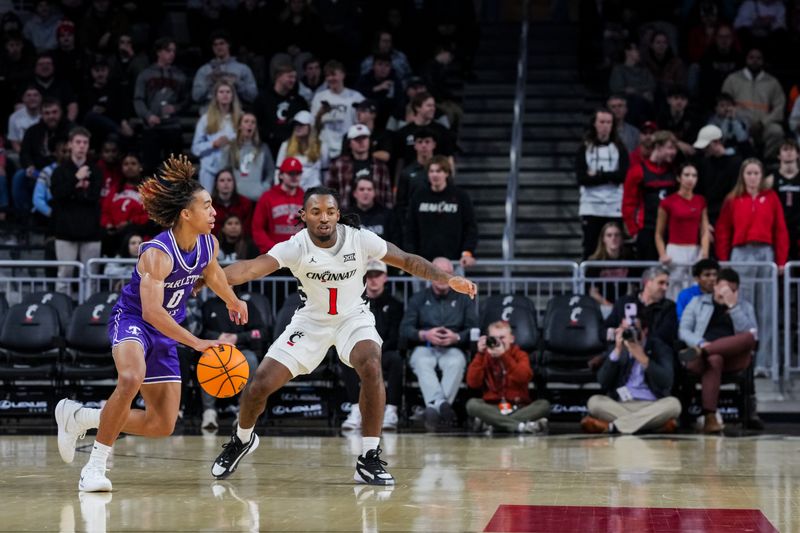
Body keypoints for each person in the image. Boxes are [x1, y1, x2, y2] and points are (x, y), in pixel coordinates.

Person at [208, 186, 477, 484]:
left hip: (353, 317)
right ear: (303, 216)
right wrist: (210, 277)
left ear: (338, 214)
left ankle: (369, 456)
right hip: (311, 322)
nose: (323, 218)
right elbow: (249, 269)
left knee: (371, 364)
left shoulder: (360, 239)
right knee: (259, 385)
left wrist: (447, 278)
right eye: (315, 212)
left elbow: (407, 259)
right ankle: (242, 439)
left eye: (330, 211)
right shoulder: (295, 246)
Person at [54, 155, 249, 492]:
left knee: (161, 425)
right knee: (131, 377)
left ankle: (80, 417)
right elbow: (152, 313)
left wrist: (231, 298)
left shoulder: (209, 243)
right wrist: (199, 343)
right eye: (207, 205)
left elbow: (212, 272)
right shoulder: (157, 253)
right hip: (135, 320)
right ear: (186, 214)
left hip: (167, 332)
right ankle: (95, 466)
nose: (215, 211)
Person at [715, 158, 788, 376]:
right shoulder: (733, 199)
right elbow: (723, 231)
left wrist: (782, 261)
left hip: (765, 253)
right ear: (743, 176)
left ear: (762, 175)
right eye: (749, 173)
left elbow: (781, 231)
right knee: (742, 308)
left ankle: (764, 364)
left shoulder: (772, 197)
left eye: (756, 173)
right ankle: (743, 362)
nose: (753, 177)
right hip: (741, 254)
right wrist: (724, 261)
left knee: (766, 310)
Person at [400, 257, 478, 431]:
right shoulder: (418, 298)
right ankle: (441, 404)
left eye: (448, 273)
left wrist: (456, 337)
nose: (443, 277)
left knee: (456, 362)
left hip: (453, 348)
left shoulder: (464, 299)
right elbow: (405, 329)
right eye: (438, 273)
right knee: (421, 361)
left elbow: (474, 329)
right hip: (425, 347)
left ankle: (433, 408)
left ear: (454, 276)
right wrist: (424, 334)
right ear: (429, 275)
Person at [678, 268, 758, 433]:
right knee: (715, 360)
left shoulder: (744, 306)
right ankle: (710, 418)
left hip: (731, 358)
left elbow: (751, 334)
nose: (728, 294)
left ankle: (706, 351)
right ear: (715, 287)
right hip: (700, 357)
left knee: (749, 337)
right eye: (725, 289)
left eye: (733, 291)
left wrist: (733, 307)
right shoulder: (697, 302)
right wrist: (700, 342)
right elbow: (683, 330)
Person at [582, 303, 681, 435]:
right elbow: (603, 382)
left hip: (651, 405)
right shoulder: (618, 347)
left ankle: (614, 427)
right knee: (594, 402)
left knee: (674, 405)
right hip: (621, 405)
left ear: (645, 331)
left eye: (634, 329)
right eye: (625, 329)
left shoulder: (659, 347)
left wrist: (643, 358)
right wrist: (617, 351)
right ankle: (651, 425)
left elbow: (667, 381)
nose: (629, 333)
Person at [339, 260, 404, 431]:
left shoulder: (395, 305)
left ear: (385, 278)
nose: (373, 280)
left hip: (384, 352)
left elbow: (395, 336)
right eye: (369, 275)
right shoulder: (352, 303)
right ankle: (355, 410)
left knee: (397, 359)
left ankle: (391, 411)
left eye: (377, 275)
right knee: (344, 359)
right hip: (360, 351)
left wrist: (376, 351)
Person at [465, 320, 550, 434]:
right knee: (472, 404)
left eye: (502, 337)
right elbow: (473, 383)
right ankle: (520, 426)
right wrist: (480, 354)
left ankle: (494, 425)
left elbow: (524, 377)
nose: (499, 341)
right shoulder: (484, 356)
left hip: (518, 407)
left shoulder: (520, 355)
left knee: (544, 405)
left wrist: (504, 356)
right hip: (492, 407)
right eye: (494, 338)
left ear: (511, 339)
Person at [50, 127, 103, 292]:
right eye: (78, 142)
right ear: (70, 145)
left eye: (85, 142)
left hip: (91, 230)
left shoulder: (96, 171)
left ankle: (90, 316)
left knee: (91, 276)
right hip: (66, 230)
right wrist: (76, 180)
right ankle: (62, 312)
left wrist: (73, 193)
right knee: (64, 275)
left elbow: (93, 196)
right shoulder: (60, 171)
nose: (81, 146)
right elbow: (58, 195)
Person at [406, 156, 478, 268]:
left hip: (454, 262)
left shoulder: (460, 196)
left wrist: (467, 252)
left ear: (447, 173)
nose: (435, 175)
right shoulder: (418, 195)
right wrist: (412, 255)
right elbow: (410, 228)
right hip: (423, 264)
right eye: (431, 171)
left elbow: (470, 227)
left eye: (439, 171)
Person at [576, 108, 629, 259]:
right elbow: (582, 178)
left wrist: (598, 175)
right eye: (601, 122)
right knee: (590, 247)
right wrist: (610, 177)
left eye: (608, 122)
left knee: (616, 247)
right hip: (591, 206)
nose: (605, 126)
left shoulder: (619, 148)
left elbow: (623, 176)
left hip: (614, 206)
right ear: (594, 124)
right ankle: (588, 283)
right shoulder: (585, 147)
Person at [655, 162, 710, 300]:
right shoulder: (668, 202)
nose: (690, 179)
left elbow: (704, 230)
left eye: (694, 175)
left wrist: (704, 253)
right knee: (674, 290)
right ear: (679, 178)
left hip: (695, 250)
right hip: (675, 251)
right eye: (687, 175)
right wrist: (662, 254)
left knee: (695, 289)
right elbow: (658, 233)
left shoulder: (700, 201)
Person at [134, 37, 188, 174]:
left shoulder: (180, 76)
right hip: (152, 127)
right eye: (168, 50)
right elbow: (138, 99)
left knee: (176, 169)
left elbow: (186, 100)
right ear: (159, 52)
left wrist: (176, 108)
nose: (172, 54)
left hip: (173, 126)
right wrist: (148, 115)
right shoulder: (146, 74)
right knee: (149, 167)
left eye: (173, 51)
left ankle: (175, 195)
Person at [622, 131, 678, 260]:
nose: (673, 152)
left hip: (669, 230)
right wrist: (634, 230)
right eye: (670, 148)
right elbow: (628, 204)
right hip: (646, 230)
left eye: (674, 148)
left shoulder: (674, 172)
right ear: (658, 147)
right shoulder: (637, 171)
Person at [721, 47, 785, 159]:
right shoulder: (733, 79)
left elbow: (779, 107)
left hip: (763, 125)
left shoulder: (772, 82)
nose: (755, 60)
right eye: (751, 57)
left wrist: (762, 123)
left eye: (758, 58)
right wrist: (738, 119)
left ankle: (765, 162)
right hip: (740, 123)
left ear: (763, 60)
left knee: (777, 132)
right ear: (746, 59)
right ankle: (740, 161)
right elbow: (723, 102)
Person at [605, 265, 677, 347]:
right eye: (661, 283)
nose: (665, 288)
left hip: (652, 354)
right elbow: (603, 330)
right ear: (647, 282)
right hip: (622, 350)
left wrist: (639, 332)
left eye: (667, 284)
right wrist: (618, 332)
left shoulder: (669, 307)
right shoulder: (624, 302)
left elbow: (664, 336)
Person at [326, 124, 393, 212]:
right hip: (347, 216)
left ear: (369, 141)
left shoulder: (381, 166)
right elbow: (329, 194)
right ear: (349, 143)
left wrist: (389, 216)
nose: (361, 142)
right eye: (357, 139)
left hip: (377, 217)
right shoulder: (338, 165)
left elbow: (387, 196)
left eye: (364, 138)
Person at [192, 81, 242, 191]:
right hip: (210, 169)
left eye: (228, 92)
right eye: (221, 92)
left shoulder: (240, 118)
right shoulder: (206, 119)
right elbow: (195, 149)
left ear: (233, 95)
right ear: (216, 96)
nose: (225, 95)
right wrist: (213, 144)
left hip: (232, 168)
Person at [310, 60, 364, 160]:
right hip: (324, 148)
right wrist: (320, 114)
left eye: (334, 75)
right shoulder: (319, 97)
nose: (330, 78)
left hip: (347, 149)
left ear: (343, 75)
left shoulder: (356, 97)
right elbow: (313, 127)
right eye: (327, 76)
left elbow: (361, 126)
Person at [251, 157, 304, 254]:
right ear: (281, 175)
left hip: (300, 255)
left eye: (298, 173)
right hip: (275, 255)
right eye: (291, 173)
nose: (295, 177)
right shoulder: (267, 197)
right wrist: (273, 249)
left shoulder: (306, 198)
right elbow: (257, 228)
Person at [692, 125, 742, 225]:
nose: (704, 150)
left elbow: (735, 192)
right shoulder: (702, 163)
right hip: (707, 214)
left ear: (717, 142)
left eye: (707, 146)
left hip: (727, 214)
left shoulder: (735, 163)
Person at [191, 30, 257, 105]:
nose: (218, 47)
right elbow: (196, 97)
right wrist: (209, 82)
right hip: (210, 112)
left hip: (236, 111)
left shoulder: (243, 69)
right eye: (215, 45)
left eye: (222, 43)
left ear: (228, 45)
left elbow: (253, 96)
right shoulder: (204, 70)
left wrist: (237, 82)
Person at [586, 221, 635, 312]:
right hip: (602, 306)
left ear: (621, 238)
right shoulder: (595, 261)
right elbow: (593, 292)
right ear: (603, 239)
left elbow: (632, 287)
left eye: (617, 235)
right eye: (609, 235)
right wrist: (609, 305)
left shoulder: (629, 258)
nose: (613, 238)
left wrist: (622, 304)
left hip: (623, 305)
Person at [226, 112, 274, 203]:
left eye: (253, 122)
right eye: (246, 121)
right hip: (237, 198)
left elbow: (270, 171)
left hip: (257, 197)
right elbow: (224, 170)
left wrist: (265, 187)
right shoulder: (231, 148)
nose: (250, 124)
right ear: (240, 126)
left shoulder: (263, 148)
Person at [275, 110, 327, 191]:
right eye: (295, 124)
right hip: (292, 192)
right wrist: (278, 192)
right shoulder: (286, 145)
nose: (297, 127)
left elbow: (325, 174)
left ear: (310, 126)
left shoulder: (322, 147)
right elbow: (278, 171)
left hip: (314, 193)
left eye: (301, 124)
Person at [766, 139, 800, 260]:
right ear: (779, 155)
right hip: (779, 227)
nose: (789, 153)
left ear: (798, 154)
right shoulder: (770, 180)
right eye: (785, 149)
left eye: (792, 149)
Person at [395, 127, 436, 222]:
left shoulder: (442, 171)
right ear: (415, 145)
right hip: (414, 222)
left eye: (427, 141)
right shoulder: (406, 173)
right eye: (420, 142)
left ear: (434, 144)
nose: (424, 145)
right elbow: (401, 204)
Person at [347, 177, 400, 245]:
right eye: (361, 189)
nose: (366, 192)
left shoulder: (388, 215)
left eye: (369, 189)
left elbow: (395, 243)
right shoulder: (346, 217)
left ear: (374, 193)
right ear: (354, 193)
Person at [210, 168, 253, 238]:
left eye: (229, 180)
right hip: (215, 242)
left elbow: (247, 228)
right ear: (216, 184)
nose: (226, 183)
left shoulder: (245, 203)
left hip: (240, 242)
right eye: (222, 180)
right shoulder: (209, 205)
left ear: (234, 184)